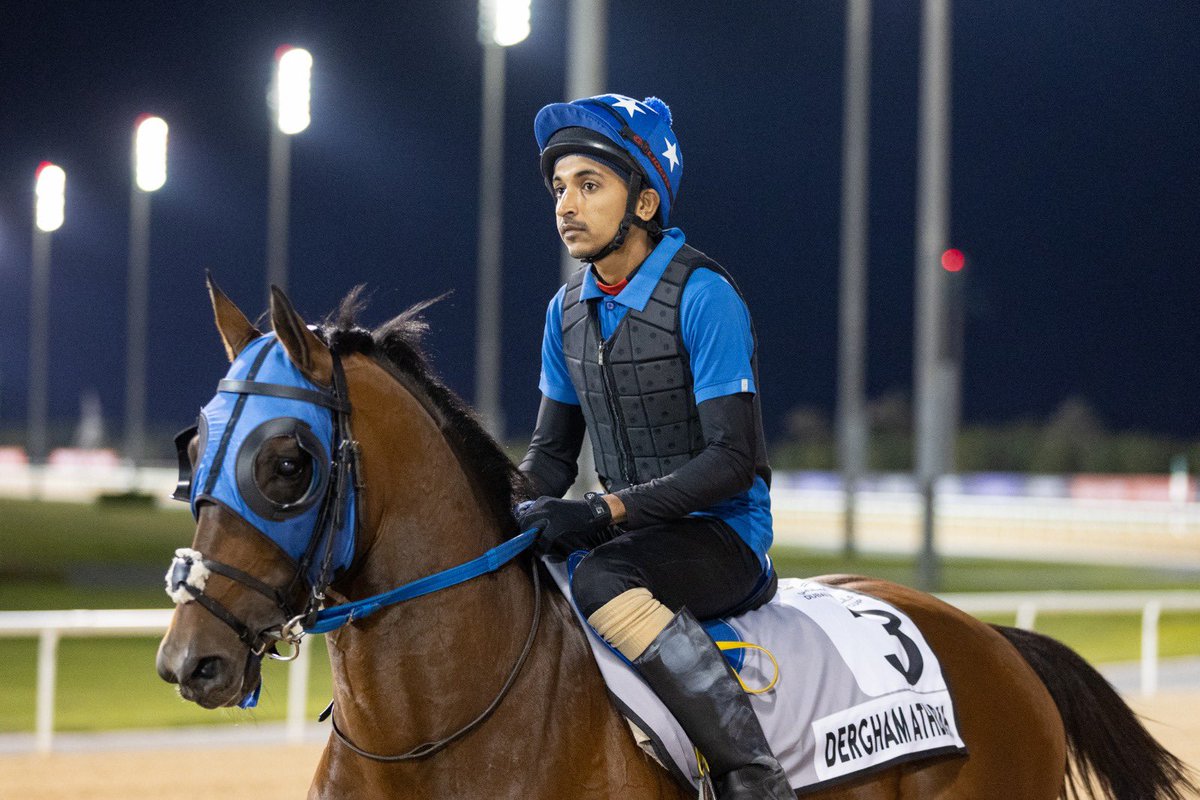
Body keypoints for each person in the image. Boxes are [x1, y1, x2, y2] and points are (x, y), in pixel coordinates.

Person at [516, 94, 792, 800]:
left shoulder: (705, 296)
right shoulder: (564, 311)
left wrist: (604, 512)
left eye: (589, 185)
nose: (566, 205)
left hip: (722, 538)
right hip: (635, 536)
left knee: (601, 578)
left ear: (643, 202)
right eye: (559, 188)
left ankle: (752, 776)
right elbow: (549, 460)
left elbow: (734, 461)